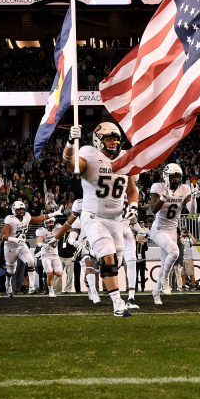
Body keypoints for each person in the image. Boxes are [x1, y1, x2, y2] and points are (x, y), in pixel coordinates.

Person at [65, 122, 140, 317]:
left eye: (115, 139)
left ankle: (94, 255)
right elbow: (70, 164)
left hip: (117, 219)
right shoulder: (89, 154)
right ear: (98, 140)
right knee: (108, 257)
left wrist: (133, 206)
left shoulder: (125, 158)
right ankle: (117, 304)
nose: (113, 142)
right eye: (108, 139)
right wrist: (70, 143)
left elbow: (132, 191)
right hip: (95, 217)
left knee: (115, 262)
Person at [148, 163, 195, 305]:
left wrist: (193, 199)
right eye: (173, 176)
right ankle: (165, 280)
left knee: (164, 263)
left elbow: (192, 212)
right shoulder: (158, 187)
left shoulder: (185, 188)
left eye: (178, 176)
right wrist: (163, 197)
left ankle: (156, 292)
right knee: (174, 252)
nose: (176, 179)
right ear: (166, 176)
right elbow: (154, 210)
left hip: (173, 230)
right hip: (159, 229)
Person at [0, 200, 60, 297]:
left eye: (22, 209)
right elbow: (2, 237)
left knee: (31, 261)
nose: (21, 211)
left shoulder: (27, 216)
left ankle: (31, 287)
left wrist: (53, 214)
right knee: (11, 271)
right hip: (11, 246)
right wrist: (15, 240)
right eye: (18, 210)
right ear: (14, 210)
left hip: (22, 244)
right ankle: (8, 284)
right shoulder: (10, 219)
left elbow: (38, 218)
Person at [36, 217, 63, 297]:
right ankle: (51, 291)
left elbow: (66, 228)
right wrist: (42, 244)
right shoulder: (42, 231)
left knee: (59, 273)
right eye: (49, 223)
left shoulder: (58, 229)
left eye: (52, 222)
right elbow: (38, 242)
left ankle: (48, 271)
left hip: (55, 254)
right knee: (50, 274)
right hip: (46, 255)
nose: (51, 224)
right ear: (45, 223)